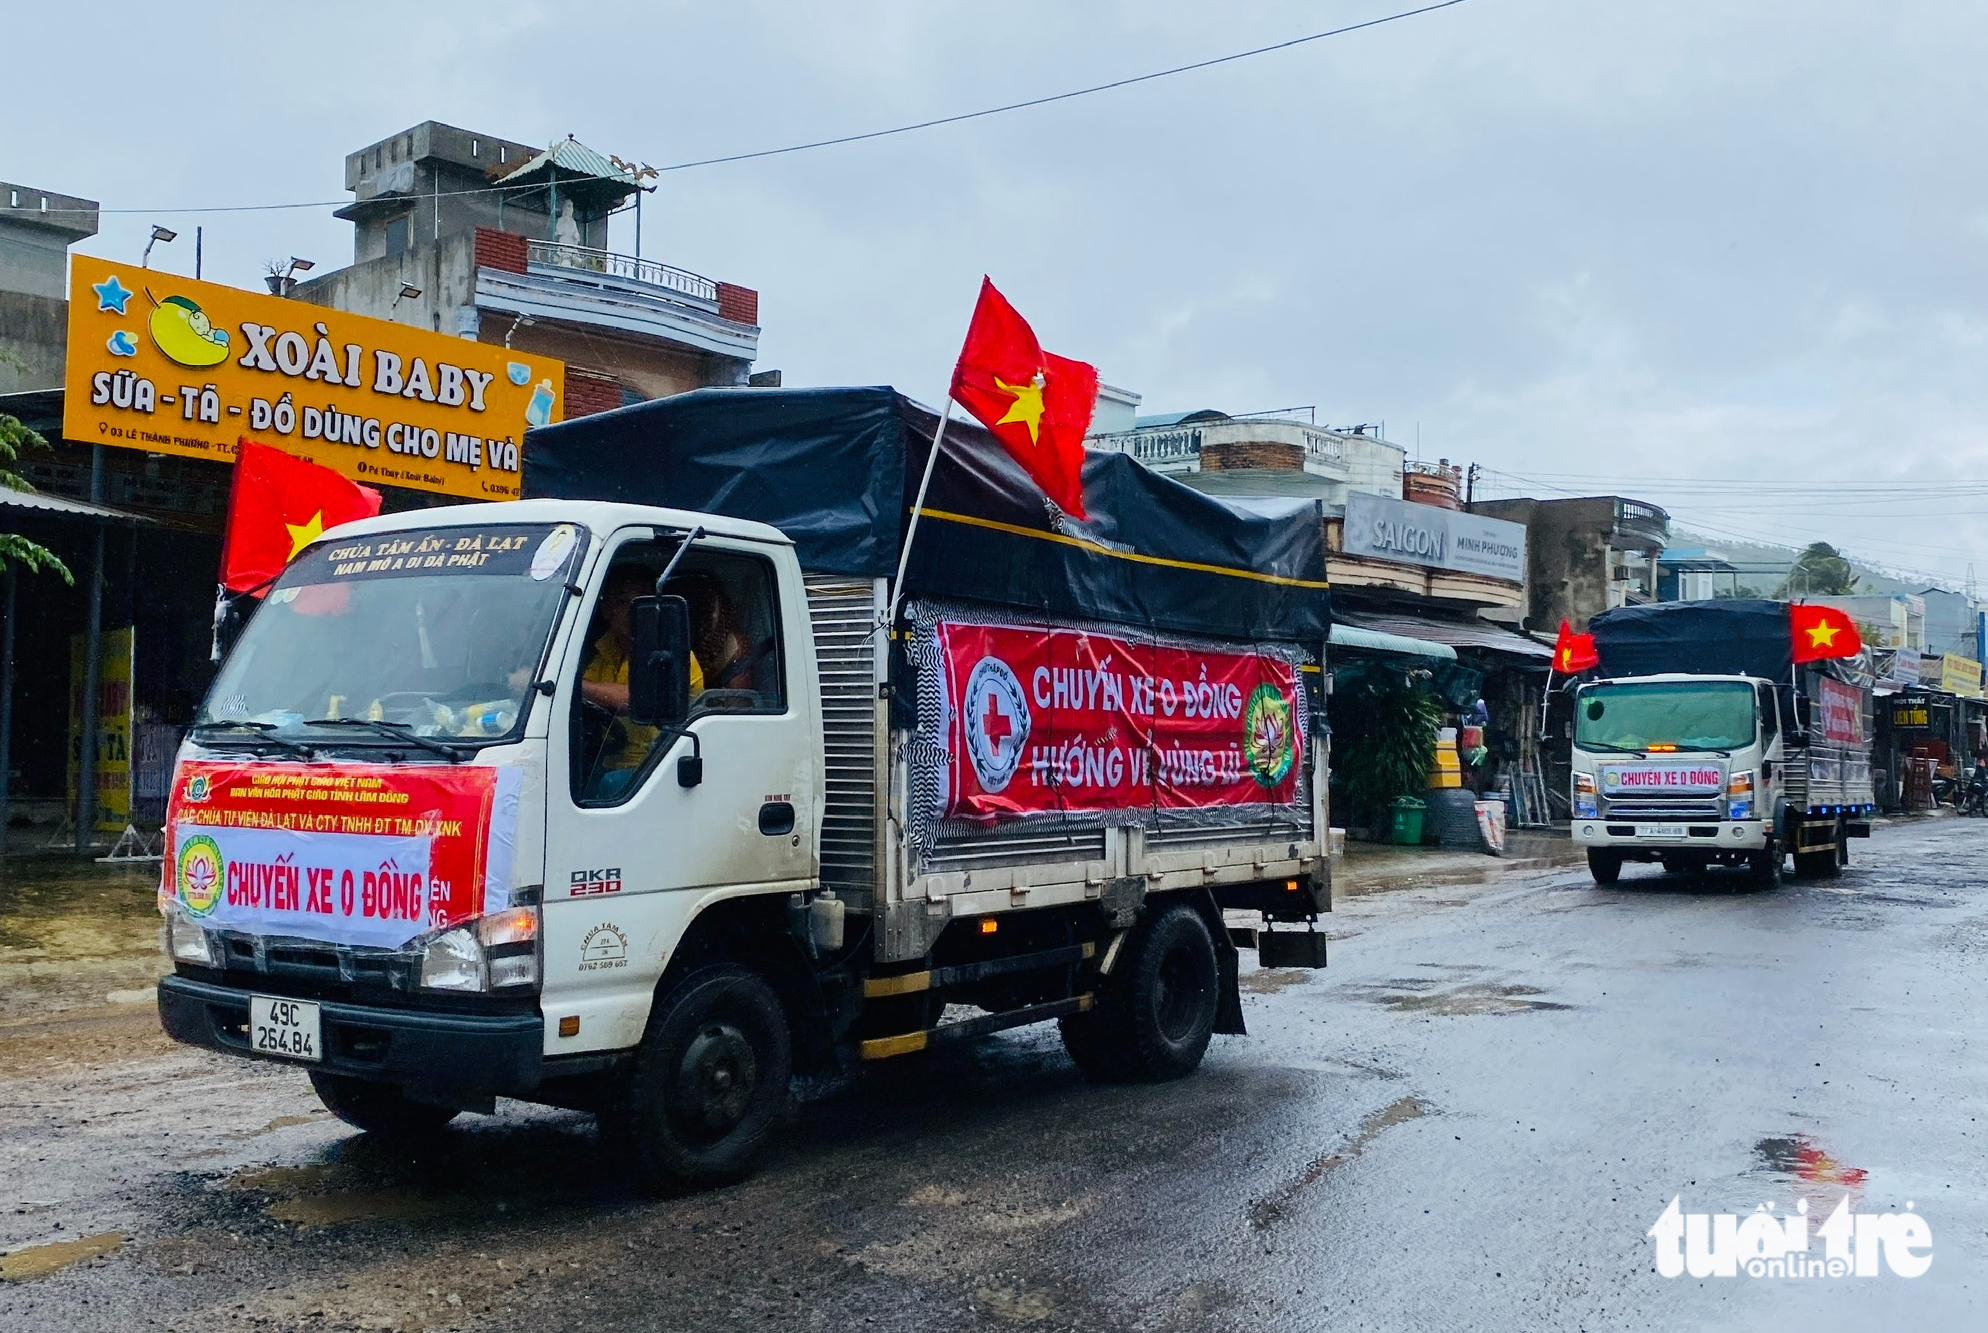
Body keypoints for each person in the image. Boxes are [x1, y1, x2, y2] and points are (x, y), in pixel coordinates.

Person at [579, 565, 704, 798]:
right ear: (606, 610)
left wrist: (569, 686)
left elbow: (633, 700)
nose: (629, 612)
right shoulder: (604, 653)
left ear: (654, 609)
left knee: (610, 785)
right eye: (620, 602)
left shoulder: (672, 655)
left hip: (656, 766)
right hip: (608, 759)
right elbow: (589, 699)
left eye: (637, 604)